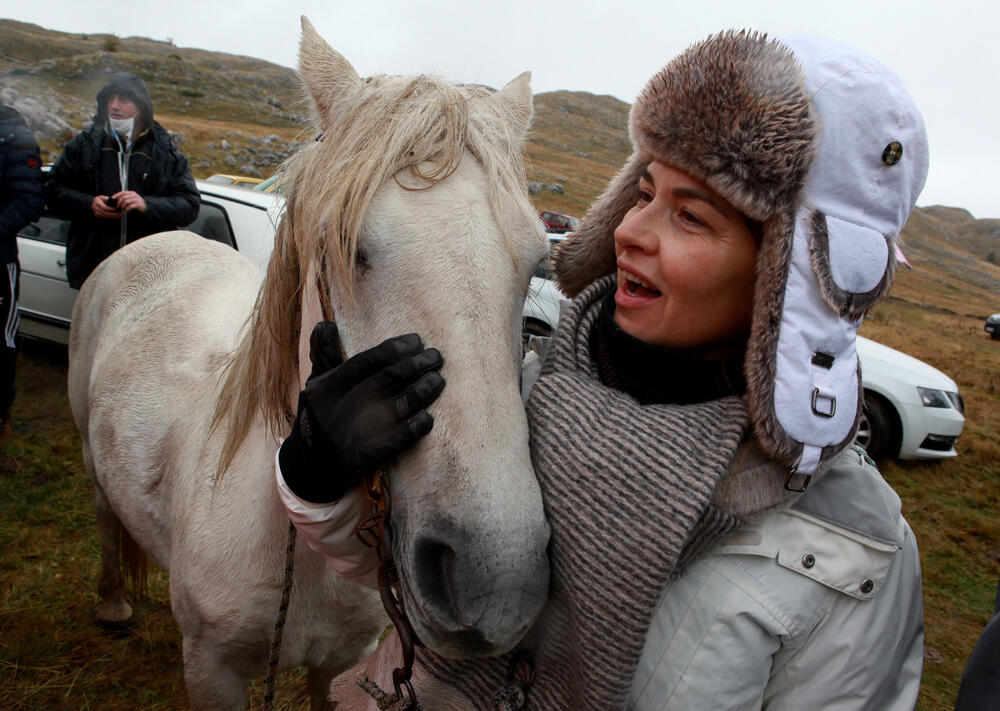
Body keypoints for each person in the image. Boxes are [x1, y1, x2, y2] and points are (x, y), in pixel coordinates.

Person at [277, 32, 927, 709]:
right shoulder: (537, 391)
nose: (629, 231)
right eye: (643, 192)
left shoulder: (857, 550)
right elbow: (415, 576)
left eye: (691, 216)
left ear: (785, 276)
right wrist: (317, 477)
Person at [45, 73, 199, 289]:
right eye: (110, 99)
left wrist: (146, 205)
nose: (114, 106)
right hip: (94, 272)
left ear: (141, 107)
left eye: (124, 100)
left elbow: (190, 205)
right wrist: (88, 204)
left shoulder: (165, 153)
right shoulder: (84, 146)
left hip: (146, 275)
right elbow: (52, 191)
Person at [0, 102, 44, 434]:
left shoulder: (16, 139)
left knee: (2, 338)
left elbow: (28, 202)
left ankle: (1, 410)